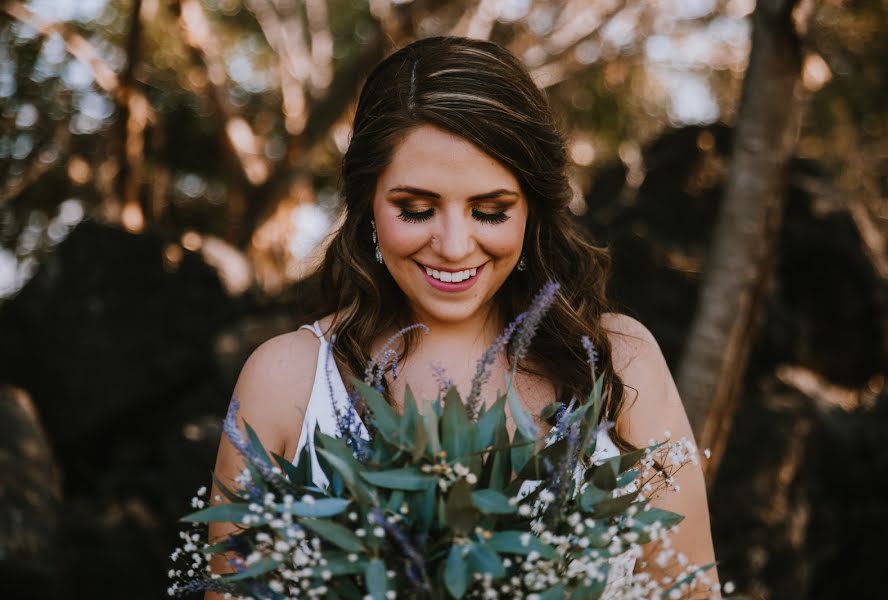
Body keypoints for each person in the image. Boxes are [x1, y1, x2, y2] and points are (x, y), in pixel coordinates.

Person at [205, 36, 718, 598]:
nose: (453, 246)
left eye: (490, 211)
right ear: (368, 201)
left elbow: (690, 589)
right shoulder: (285, 380)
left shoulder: (624, 361)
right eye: (416, 210)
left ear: (533, 209)